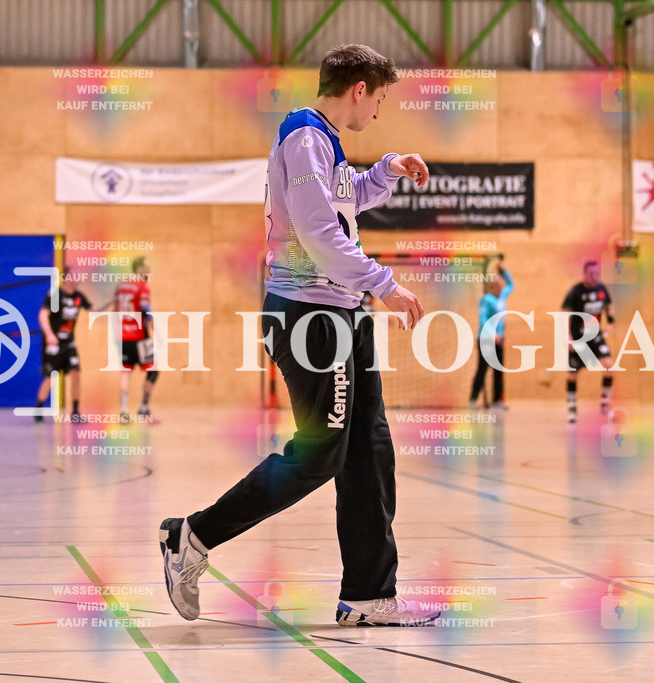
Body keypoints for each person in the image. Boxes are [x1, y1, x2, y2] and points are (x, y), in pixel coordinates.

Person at [159, 44, 438, 627]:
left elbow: (343, 204)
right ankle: (193, 535)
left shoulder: (326, 145)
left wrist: (387, 169)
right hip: (311, 317)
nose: (379, 113)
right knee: (320, 454)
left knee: (369, 448)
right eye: (380, 99)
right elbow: (316, 233)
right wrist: (385, 283)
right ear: (358, 88)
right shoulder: (303, 136)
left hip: (342, 314)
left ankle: (369, 596)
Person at [34, 268, 93, 422]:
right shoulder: (56, 294)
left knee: (75, 374)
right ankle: (39, 408)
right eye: (75, 275)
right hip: (54, 343)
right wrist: (49, 334)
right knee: (50, 377)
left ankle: (75, 412)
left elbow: (94, 309)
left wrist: (112, 302)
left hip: (69, 343)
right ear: (67, 278)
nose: (79, 278)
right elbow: (43, 314)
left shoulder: (79, 297)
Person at [561, 261, 614, 423]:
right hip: (579, 338)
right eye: (591, 273)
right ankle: (572, 408)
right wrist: (568, 336)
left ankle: (605, 403)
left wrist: (610, 323)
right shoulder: (576, 291)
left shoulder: (602, 289)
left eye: (597, 272)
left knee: (609, 366)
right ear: (585, 273)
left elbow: (608, 306)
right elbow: (565, 313)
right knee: (573, 374)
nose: (594, 276)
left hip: (596, 336)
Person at [108, 257, 159, 423]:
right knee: (153, 371)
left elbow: (115, 310)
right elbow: (145, 309)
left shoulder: (120, 287)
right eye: (147, 267)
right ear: (139, 269)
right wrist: (154, 330)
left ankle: (123, 412)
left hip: (122, 337)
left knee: (125, 374)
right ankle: (144, 409)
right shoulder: (142, 286)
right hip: (139, 337)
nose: (149, 271)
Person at [469, 258, 513, 409]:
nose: (502, 286)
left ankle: (497, 401)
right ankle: (473, 399)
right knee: (482, 369)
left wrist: (503, 269)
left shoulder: (502, 297)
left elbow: (511, 285)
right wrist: (492, 334)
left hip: (499, 339)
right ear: (494, 286)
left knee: (498, 370)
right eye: (500, 284)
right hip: (486, 339)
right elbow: (483, 320)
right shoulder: (486, 300)